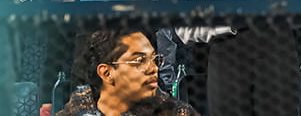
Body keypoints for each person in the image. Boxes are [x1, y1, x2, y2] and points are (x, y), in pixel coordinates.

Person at [54, 30, 199, 116]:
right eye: (140, 61)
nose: (154, 68)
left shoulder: (176, 112)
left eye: (155, 59)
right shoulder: (78, 108)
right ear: (106, 73)